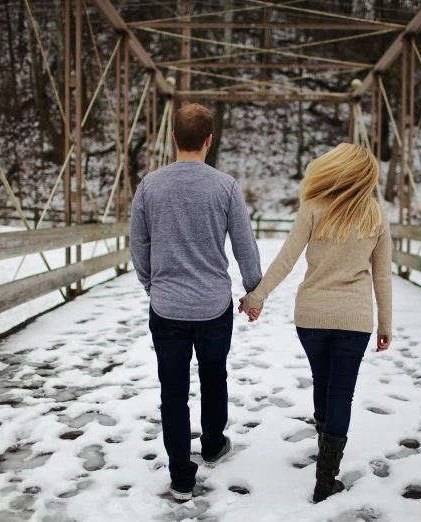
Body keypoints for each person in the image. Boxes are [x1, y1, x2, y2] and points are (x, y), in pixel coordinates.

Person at [239, 143, 393, 503]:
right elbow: (382, 275)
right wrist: (385, 324)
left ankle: (325, 454)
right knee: (341, 392)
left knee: (323, 383)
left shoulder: (313, 207)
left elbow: (286, 259)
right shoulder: (375, 215)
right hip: (355, 319)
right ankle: (327, 477)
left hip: (311, 315)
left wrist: (256, 298)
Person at [130, 103, 262, 502]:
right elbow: (244, 246)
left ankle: (181, 479)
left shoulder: (149, 186)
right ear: (209, 140)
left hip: (167, 306)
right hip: (213, 306)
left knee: (172, 391)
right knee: (213, 377)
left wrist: (153, 286)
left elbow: (139, 244)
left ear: (173, 138)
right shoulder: (225, 186)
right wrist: (253, 291)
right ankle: (212, 445)